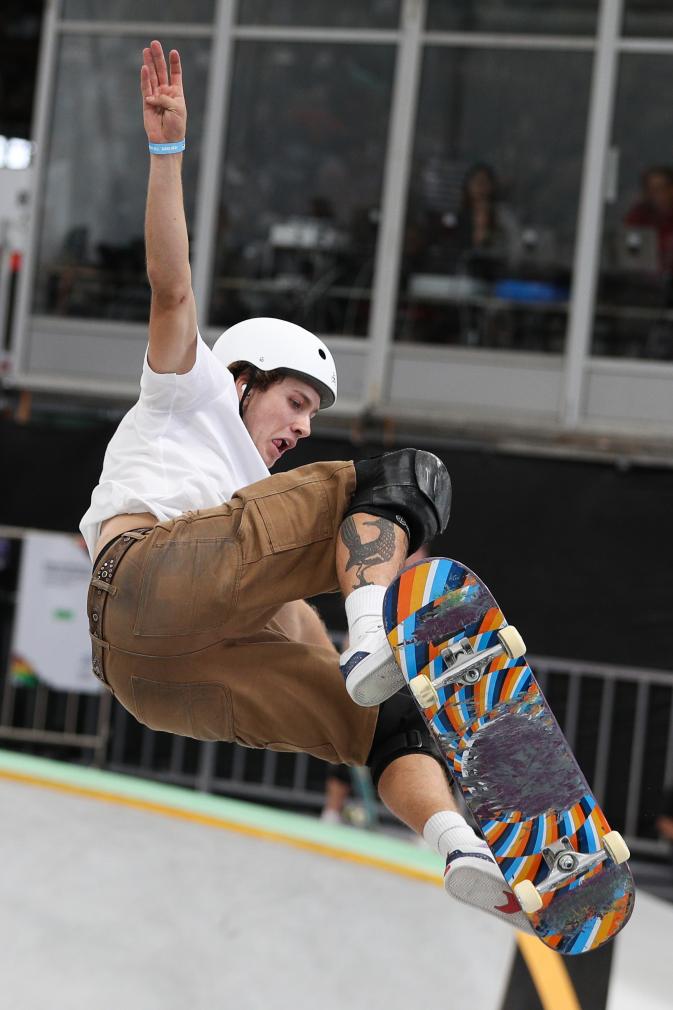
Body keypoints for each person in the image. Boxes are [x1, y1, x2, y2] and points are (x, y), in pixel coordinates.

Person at [80, 40, 533, 935]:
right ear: (243, 377)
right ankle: (372, 633)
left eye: (310, 416)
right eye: (293, 402)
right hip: (148, 579)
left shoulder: (242, 521)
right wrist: (166, 153)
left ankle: (462, 851)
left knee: (383, 719)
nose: (300, 429)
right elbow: (171, 292)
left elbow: (294, 633)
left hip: (145, 674)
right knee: (404, 479)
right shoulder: (192, 390)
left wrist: (399, 661)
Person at [624, 165, 673, 275]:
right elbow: (629, 251)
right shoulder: (638, 216)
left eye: (659, 188)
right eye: (649, 189)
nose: (653, 194)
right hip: (644, 279)